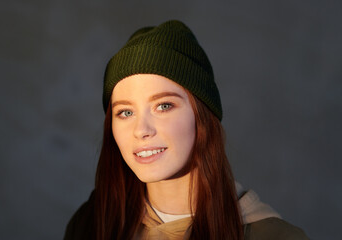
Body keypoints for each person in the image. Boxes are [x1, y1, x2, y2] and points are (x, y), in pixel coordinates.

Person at [64, 20, 309, 240]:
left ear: (202, 115)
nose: (141, 130)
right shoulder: (91, 223)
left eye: (163, 106)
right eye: (125, 112)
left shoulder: (275, 236)